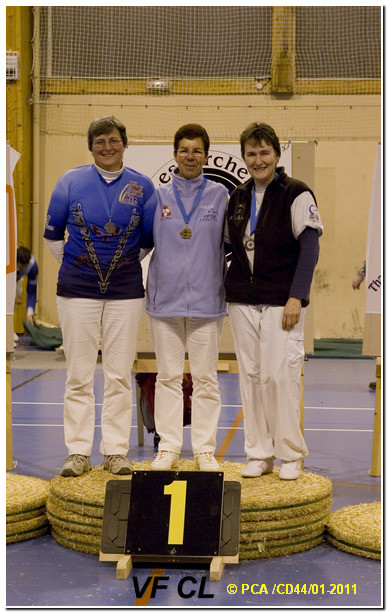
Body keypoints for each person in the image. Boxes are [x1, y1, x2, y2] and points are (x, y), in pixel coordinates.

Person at [44, 116, 156, 477]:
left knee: (120, 375)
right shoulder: (69, 182)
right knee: (78, 374)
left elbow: (148, 242)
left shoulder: (143, 186)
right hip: (77, 293)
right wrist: (80, 267)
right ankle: (77, 452)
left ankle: (115, 451)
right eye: (99, 142)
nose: (107, 147)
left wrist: (119, 267)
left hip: (125, 294)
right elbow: (52, 238)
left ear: (125, 143)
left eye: (113, 141)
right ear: (90, 146)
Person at [224, 122, 323, 480]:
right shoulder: (237, 197)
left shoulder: (296, 193)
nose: (258, 159)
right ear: (244, 157)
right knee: (250, 376)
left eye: (264, 152)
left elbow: (309, 247)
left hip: (283, 300)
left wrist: (297, 295)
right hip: (242, 301)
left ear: (277, 155)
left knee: (280, 376)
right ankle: (259, 453)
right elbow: (231, 248)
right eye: (251, 153)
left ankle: (291, 454)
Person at [145, 123, 229, 471]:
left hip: (208, 302)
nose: (190, 156)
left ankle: (204, 449)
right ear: (174, 155)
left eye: (197, 151)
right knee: (167, 377)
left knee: (206, 378)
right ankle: (168, 446)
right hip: (164, 302)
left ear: (206, 156)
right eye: (184, 150)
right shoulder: (158, 196)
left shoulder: (221, 195)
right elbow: (141, 245)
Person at [16, 246, 38, 324]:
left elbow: (32, 292)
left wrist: (30, 312)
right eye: (21, 267)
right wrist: (10, 293)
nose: (24, 269)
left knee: (16, 298)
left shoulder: (33, 267)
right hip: (7, 276)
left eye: (25, 267)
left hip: (17, 279)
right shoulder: (7, 259)